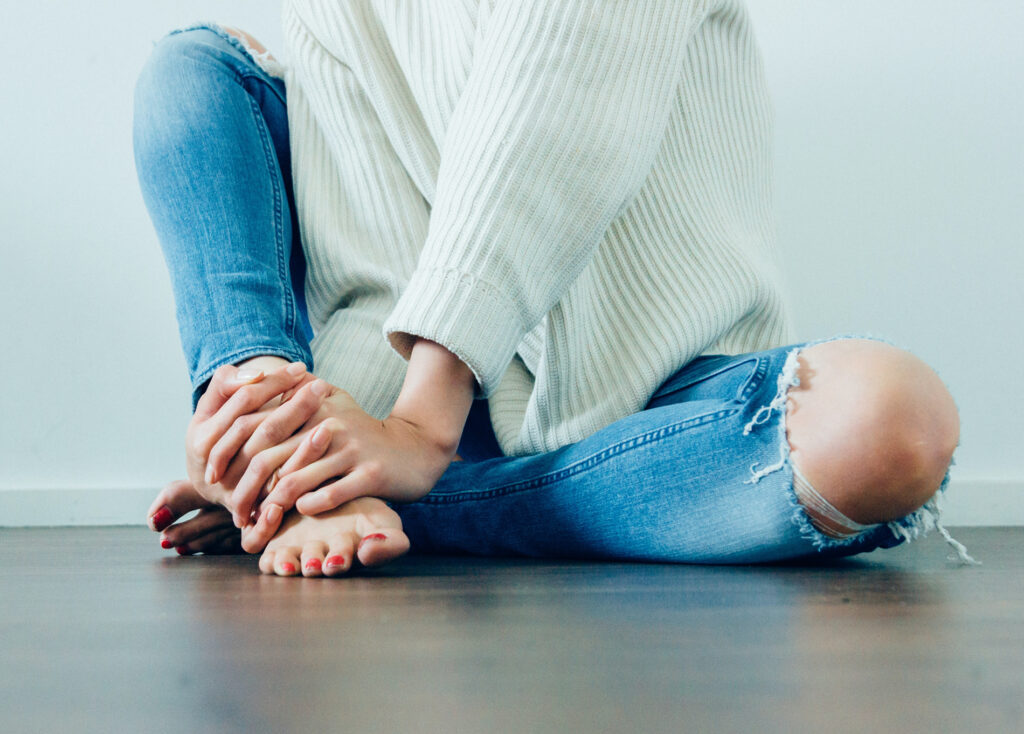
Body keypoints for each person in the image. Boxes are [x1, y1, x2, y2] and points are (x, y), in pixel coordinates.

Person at [132, 2, 975, 578]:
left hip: (658, 395)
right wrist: (319, 445)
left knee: (892, 421)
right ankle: (261, 446)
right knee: (194, 73)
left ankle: (402, 507)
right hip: (440, 401)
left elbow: (548, 115)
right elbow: (375, 262)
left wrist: (418, 433)